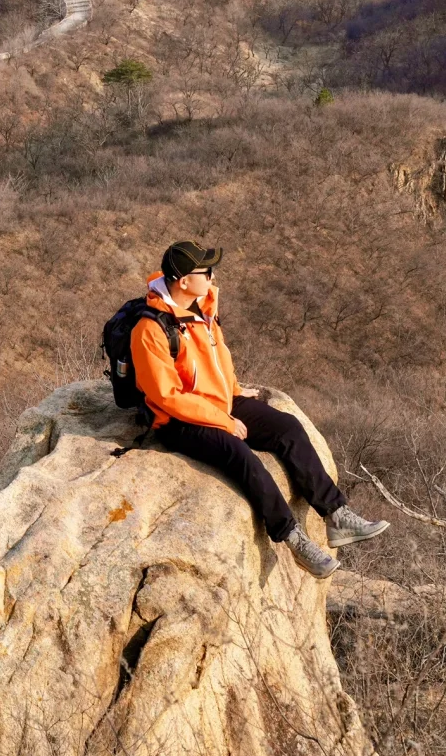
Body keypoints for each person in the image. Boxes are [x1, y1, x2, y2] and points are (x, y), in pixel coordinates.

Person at [130, 241, 389, 579]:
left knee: (287, 428)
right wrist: (222, 420)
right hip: (178, 421)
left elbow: (216, 361)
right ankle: (293, 538)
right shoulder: (150, 329)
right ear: (182, 281)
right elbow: (167, 396)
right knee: (240, 454)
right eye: (205, 272)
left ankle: (336, 515)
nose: (212, 276)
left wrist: (234, 392)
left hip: (220, 402)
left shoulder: (201, 309)